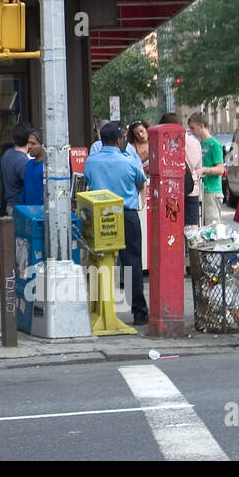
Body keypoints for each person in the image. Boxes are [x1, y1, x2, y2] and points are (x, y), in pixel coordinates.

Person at [83, 122, 148, 325]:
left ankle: (99, 309)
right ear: (119, 140)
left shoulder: (91, 161)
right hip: (125, 213)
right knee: (132, 263)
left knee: (98, 260)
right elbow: (140, 181)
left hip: (99, 214)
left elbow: (86, 181)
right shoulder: (128, 161)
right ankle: (138, 311)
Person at [160, 112, 202, 227]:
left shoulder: (164, 143)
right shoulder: (194, 143)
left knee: (171, 228)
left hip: (170, 192)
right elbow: (198, 168)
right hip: (191, 189)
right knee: (191, 230)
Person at [189, 112, 226, 225]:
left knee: (212, 226)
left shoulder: (214, 144)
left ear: (201, 125)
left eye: (192, 128)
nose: (191, 131)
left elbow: (220, 169)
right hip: (202, 190)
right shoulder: (200, 144)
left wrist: (205, 170)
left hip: (212, 190)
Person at [0, 123, 33, 216]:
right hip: (20, 207)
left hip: (9, 204)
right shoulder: (23, 161)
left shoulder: (7, 154)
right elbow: (29, 184)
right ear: (29, 140)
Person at [19, 130, 45, 207]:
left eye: (33, 144)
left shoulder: (47, 167)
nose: (29, 146)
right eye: (28, 143)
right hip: (28, 211)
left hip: (41, 212)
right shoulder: (29, 164)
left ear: (43, 145)